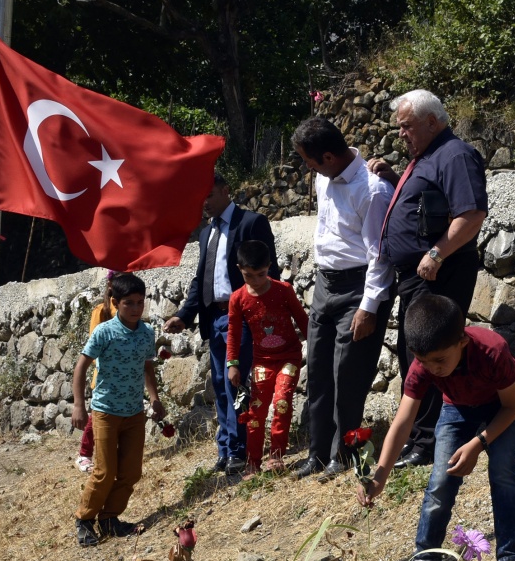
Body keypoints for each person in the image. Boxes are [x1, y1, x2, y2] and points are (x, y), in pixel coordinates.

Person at [357, 295, 515, 561]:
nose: (433, 368)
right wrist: (379, 476)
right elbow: (403, 422)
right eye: (424, 361)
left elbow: (512, 407)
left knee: (503, 473)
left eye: (439, 360)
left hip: (503, 406)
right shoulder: (423, 363)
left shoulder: (491, 351)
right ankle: (425, 556)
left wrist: (478, 443)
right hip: (458, 408)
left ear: (461, 342)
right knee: (440, 479)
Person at [367, 89, 488, 469]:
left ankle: (429, 440)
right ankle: (424, 438)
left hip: (439, 272)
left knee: (428, 352)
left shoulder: (454, 154)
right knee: (416, 352)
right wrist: (392, 176)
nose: (401, 134)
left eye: (406, 126)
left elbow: (471, 214)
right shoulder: (426, 157)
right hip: (419, 277)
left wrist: (436, 253)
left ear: (432, 122)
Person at [290, 116, 395, 481]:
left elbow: (378, 255)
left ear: (330, 156)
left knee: (347, 373)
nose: (307, 167)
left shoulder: (372, 189)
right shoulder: (324, 177)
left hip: (357, 288)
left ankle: (343, 452)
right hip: (325, 284)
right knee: (318, 371)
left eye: (309, 160)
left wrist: (368, 308)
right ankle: (317, 453)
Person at [164, 175, 278, 475]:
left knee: (236, 382)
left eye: (209, 195)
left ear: (226, 191)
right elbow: (201, 279)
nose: (204, 203)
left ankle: (239, 451)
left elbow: (270, 270)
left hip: (240, 314)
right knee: (220, 384)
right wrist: (184, 315)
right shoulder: (206, 233)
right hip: (213, 318)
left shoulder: (251, 223)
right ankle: (226, 447)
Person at [71, 272, 165, 547]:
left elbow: (147, 367)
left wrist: (154, 398)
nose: (136, 308)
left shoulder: (147, 333)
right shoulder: (105, 332)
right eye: (129, 303)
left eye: (140, 302)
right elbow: (81, 367)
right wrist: (79, 405)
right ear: (115, 302)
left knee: (131, 471)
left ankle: (110, 518)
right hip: (105, 413)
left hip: (134, 413)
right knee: (104, 471)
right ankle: (84, 520)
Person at [226, 241, 308, 475]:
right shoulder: (238, 299)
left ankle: (276, 456)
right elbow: (233, 332)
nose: (256, 281)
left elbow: (303, 321)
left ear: (270, 267)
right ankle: (253, 461)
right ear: (239, 269)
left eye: (261, 274)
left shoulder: (284, 290)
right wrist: (233, 363)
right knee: (256, 411)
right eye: (248, 275)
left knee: (282, 402)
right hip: (262, 361)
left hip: (288, 357)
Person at [76, 275, 118, 473]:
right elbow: (94, 346)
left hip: (125, 378)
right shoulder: (101, 312)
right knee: (96, 418)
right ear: (110, 284)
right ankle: (84, 454)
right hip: (105, 376)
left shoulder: (129, 310)